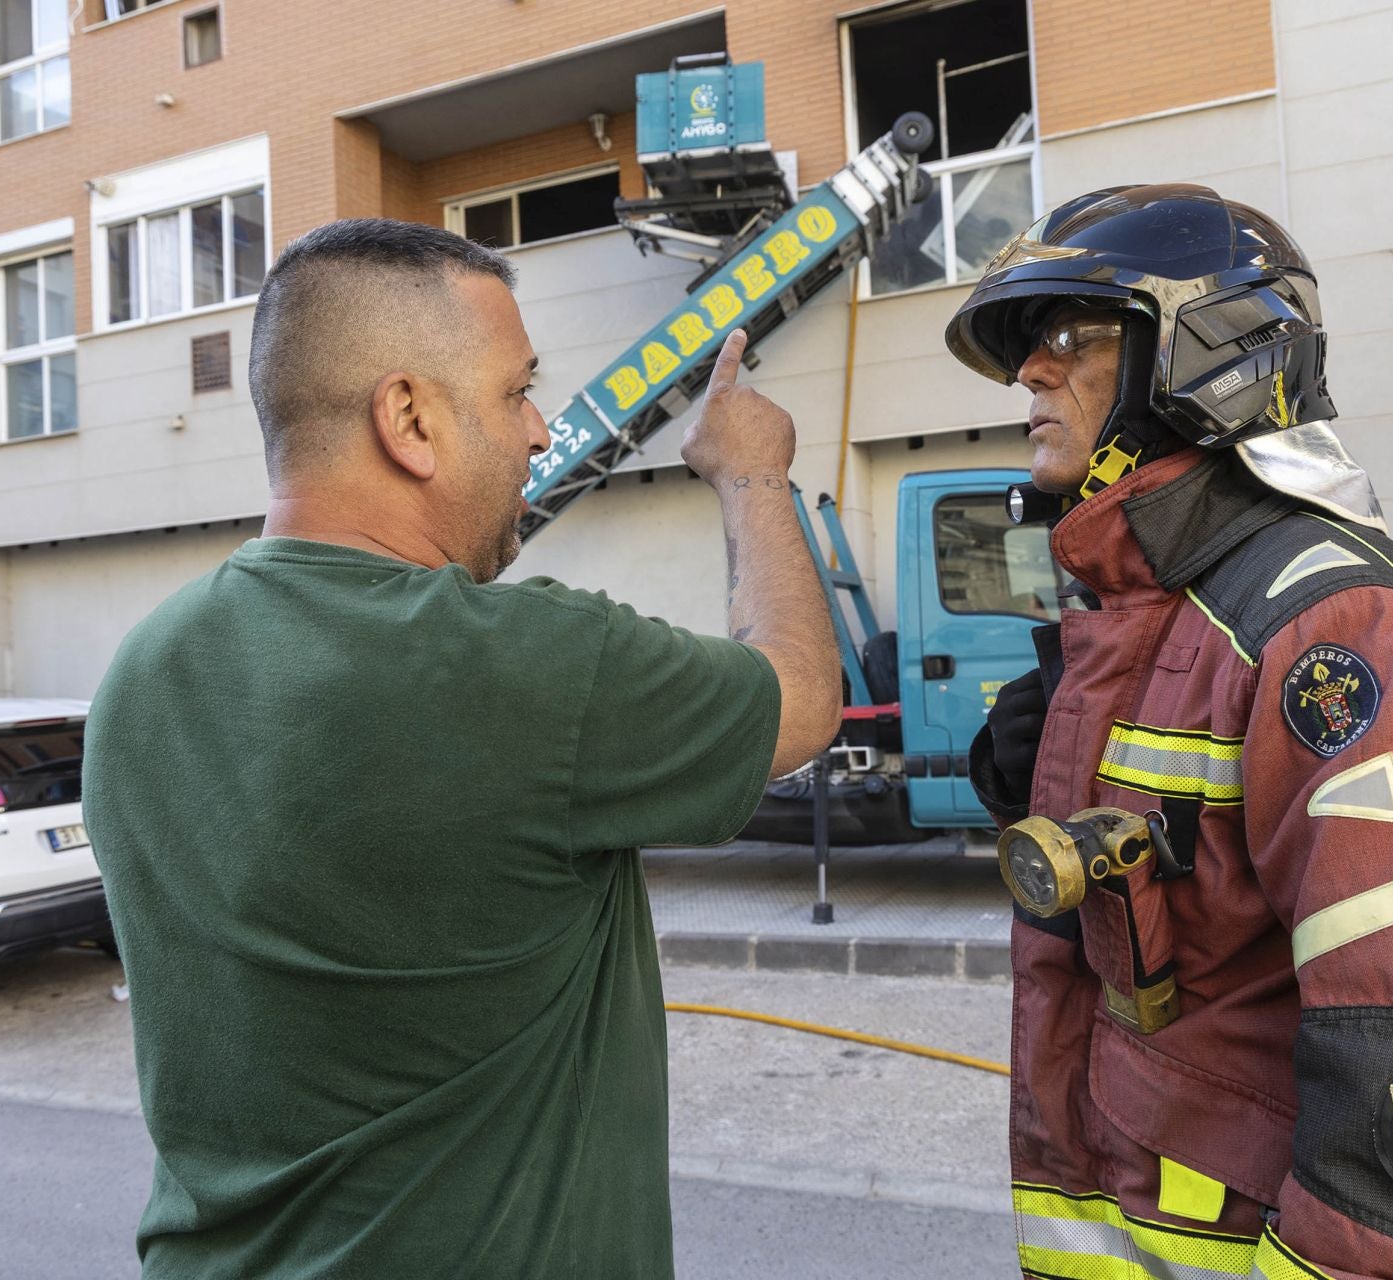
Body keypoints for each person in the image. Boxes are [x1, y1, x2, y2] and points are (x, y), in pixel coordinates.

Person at [82, 219, 840, 1278]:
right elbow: (801, 697)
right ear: (408, 417)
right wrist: (751, 475)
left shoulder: (139, 673)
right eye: (516, 391)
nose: (540, 431)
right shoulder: (527, 668)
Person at [950, 186, 1393, 1280]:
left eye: (1063, 336)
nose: (1028, 374)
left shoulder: (1338, 630)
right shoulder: (1145, 613)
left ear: (1204, 350)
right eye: (1023, 348)